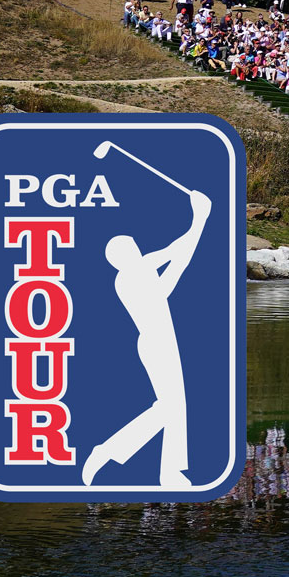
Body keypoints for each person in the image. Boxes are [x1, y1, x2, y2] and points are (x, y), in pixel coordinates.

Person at [82, 185, 213, 489]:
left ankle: (171, 474)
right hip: (154, 343)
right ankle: (108, 451)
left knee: (175, 406)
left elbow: (174, 263)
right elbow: (175, 256)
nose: (137, 248)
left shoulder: (140, 271)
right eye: (131, 247)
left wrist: (198, 222)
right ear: (121, 256)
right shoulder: (129, 276)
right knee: (168, 407)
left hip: (162, 340)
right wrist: (200, 218)